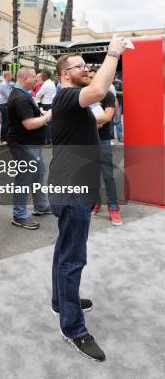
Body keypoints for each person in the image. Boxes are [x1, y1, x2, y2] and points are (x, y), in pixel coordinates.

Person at [48, 37, 127, 362]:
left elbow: (99, 107)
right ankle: (74, 330)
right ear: (65, 74)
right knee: (73, 258)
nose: (86, 69)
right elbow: (97, 91)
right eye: (79, 66)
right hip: (71, 189)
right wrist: (113, 52)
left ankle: (60, 302)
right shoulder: (67, 96)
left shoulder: (73, 106)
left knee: (64, 249)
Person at [7, 67, 53, 229]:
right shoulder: (20, 98)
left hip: (28, 144)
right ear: (25, 78)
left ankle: (40, 206)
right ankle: (19, 215)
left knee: (38, 174)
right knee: (24, 179)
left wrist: (40, 114)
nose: (37, 80)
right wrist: (47, 116)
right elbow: (29, 124)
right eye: (34, 77)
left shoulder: (22, 94)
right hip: (24, 145)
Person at [87, 69, 122, 226]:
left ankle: (113, 208)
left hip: (103, 141)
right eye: (88, 77)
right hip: (87, 141)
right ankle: (96, 203)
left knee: (107, 175)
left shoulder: (107, 95)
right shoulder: (85, 96)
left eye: (93, 77)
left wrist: (90, 122)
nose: (90, 80)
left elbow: (107, 117)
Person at [36, 70, 56, 144]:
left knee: (47, 122)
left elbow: (38, 95)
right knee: (50, 122)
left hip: (46, 105)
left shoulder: (45, 85)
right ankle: (50, 139)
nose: (41, 77)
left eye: (42, 75)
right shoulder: (52, 83)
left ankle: (47, 140)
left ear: (45, 76)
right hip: (51, 104)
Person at [0, 71, 13, 144]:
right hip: (4, 105)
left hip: (5, 105)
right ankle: (3, 139)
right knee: (5, 122)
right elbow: (8, 96)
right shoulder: (4, 84)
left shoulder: (7, 84)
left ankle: (6, 138)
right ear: (7, 76)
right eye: (11, 75)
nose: (12, 76)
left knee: (7, 122)